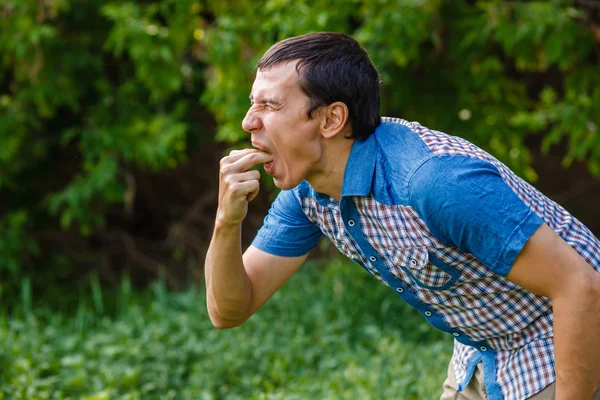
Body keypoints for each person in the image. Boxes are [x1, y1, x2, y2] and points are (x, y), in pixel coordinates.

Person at [204, 32, 600, 400]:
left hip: (563, 335)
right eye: (252, 103)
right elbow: (229, 310)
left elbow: (580, 286)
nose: (248, 121)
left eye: (270, 105)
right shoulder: (309, 192)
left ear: (331, 120)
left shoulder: (433, 182)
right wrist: (226, 222)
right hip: (480, 351)